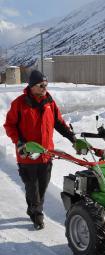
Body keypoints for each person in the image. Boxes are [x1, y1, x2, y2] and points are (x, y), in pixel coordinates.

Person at [4, 70, 76, 230]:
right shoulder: (19, 104)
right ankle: (37, 215)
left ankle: (33, 208)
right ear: (31, 86)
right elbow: (9, 125)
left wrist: (72, 138)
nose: (44, 88)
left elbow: (59, 123)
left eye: (46, 85)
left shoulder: (49, 102)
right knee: (32, 187)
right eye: (41, 85)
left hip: (46, 154)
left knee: (42, 187)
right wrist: (19, 142)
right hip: (27, 155)